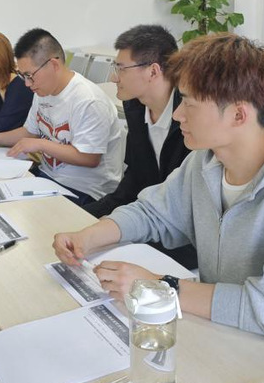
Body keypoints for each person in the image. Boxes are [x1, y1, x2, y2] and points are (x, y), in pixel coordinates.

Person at [53, 34, 264, 373]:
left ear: (238, 115)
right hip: (232, 331)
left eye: (188, 103)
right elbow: (153, 212)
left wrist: (161, 288)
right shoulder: (207, 160)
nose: (177, 115)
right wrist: (88, 237)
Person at [83, 25, 196, 269]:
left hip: (182, 243)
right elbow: (132, 184)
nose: (114, 77)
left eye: (120, 69)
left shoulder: (191, 120)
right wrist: (84, 217)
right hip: (147, 221)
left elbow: (186, 217)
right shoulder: (136, 108)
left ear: (153, 71)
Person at [0, 28, 123, 205]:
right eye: (23, 76)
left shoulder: (89, 101)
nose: (27, 83)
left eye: (30, 75)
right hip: (48, 178)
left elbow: (89, 158)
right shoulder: (42, 91)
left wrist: (41, 144)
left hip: (85, 191)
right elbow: (30, 131)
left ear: (53, 65)